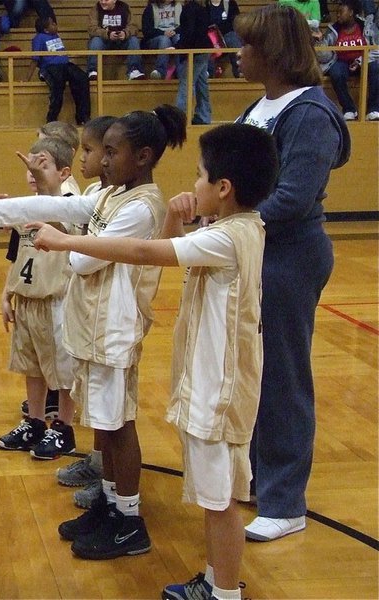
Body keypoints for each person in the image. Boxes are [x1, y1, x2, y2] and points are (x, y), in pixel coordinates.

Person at [29, 122, 280, 600]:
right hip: (208, 384)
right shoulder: (230, 229)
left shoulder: (230, 238)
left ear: (223, 188)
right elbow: (168, 251)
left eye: (200, 175)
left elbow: (146, 251)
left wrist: (65, 242)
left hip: (219, 390)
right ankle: (216, 581)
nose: (194, 184)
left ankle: (224, 591)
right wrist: (178, 219)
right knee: (214, 498)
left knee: (220, 501)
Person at [0, 105, 187, 560]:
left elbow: (83, 259)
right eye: (103, 151)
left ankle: (128, 520)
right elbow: (61, 206)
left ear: (143, 157)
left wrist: (65, 239)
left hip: (114, 330)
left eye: (112, 152)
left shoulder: (143, 206)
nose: (104, 161)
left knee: (119, 425)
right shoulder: (110, 194)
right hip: (92, 327)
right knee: (104, 426)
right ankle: (109, 504)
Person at [235, 4, 351, 542]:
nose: (237, 54)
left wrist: (227, 224)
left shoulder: (309, 113)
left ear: (274, 53)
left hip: (289, 256)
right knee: (255, 374)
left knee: (283, 378)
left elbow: (292, 199)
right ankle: (261, 478)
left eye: (247, 45)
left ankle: (286, 502)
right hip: (255, 251)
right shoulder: (260, 106)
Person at [0, 137, 79, 460]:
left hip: (56, 299)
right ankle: (34, 422)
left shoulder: (71, 203)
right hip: (27, 298)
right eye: (30, 165)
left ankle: (64, 428)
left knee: (63, 370)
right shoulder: (28, 206)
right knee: (31, 366)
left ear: (64, 172)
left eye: (41, 165)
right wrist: (7, 293)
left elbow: (68, 228)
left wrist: (48, 189)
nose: (33, 171)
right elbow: (19, 254)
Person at [52, 115, 117, 509]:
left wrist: (65, 245)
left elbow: (83, 257)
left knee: (111, 410)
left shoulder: (130, 205)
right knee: (94, 401)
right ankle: (98, 462)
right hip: (88, 311)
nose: (84, 157)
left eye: (89, 150)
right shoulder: (96, 192)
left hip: (109, 320)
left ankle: (113, 485)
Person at [317, 0, 379, 121]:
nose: (338, 15)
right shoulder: (332, 29)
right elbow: (324, 57)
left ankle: (373, 109)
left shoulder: (366, 26)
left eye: (341, 12)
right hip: (342, 62)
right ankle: (349, 109)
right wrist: (319, 42)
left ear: (351, 12)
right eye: (337, 12)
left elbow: (377, 49)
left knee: (376, 67)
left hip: (363, 61)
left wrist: (360, 61)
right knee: (335, 71)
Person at [27, 16, 91, 126]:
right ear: (46, 30)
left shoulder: (56, 35)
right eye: (52, 24)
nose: (55, 25)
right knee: (58, 85)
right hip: (50, 67)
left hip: (65, 65)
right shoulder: (39, 38)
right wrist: (27, 78)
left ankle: (83, 117)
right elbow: (35, 59)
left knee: (82, 78)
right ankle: (51, 119)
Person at [87, 0, 146, 81]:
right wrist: (107, 34)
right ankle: (92, 71)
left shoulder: (125, 7)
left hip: (122, 41)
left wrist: (125, 33)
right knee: (95, 41)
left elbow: (134, 26)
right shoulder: (96, 9)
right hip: (104, 40)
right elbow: (92, 28)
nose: (103, 2)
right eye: (101, 0)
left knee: (133, 40)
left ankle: (134, 70)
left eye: (106, 0)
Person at [174, 0, 213, 124]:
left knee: (186, 83)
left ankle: (180, 118)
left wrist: (178, 47)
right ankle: (204, 116)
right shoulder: (202, 7)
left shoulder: (189, 9)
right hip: (204, 49)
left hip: (195, 51)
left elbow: (189, 33)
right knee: (201, 83)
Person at [142, 0, 182, 79]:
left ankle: (181, 72)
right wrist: (162, 33)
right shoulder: (150, 8)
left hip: (175, 34)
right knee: (164, 40)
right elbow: (146, 30)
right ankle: (160, 71)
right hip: (156, 38)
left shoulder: (179, 7)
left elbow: (185, 26)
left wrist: (175, 31)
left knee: (179, 38)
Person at [205, 0, 241, 78]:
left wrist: (218, 29)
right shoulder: (204, 4)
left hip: (226, 33)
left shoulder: (230, 3)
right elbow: (204, 23)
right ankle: (209, 75)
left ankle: (239, 72)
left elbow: (234, 22)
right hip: (210, 35)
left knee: (232, 39)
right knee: (205, 42)